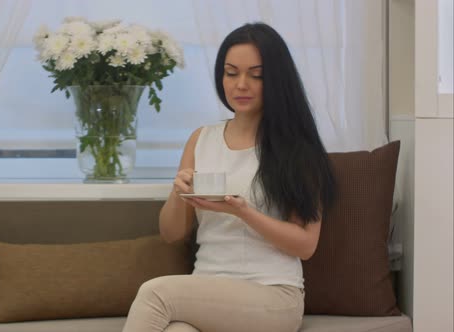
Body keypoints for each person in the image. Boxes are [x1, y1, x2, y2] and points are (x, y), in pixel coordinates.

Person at [122, 22, 336, 332]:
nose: (241, 85)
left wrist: (243, 212)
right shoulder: (201, 139)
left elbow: (305, 245)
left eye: (256, 75)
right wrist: (178, 193)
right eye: (231, 73)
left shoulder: (298, 150)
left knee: (155, 293)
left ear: (276, 79)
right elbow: (171, 234)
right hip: (208, 291)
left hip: (273, 295)